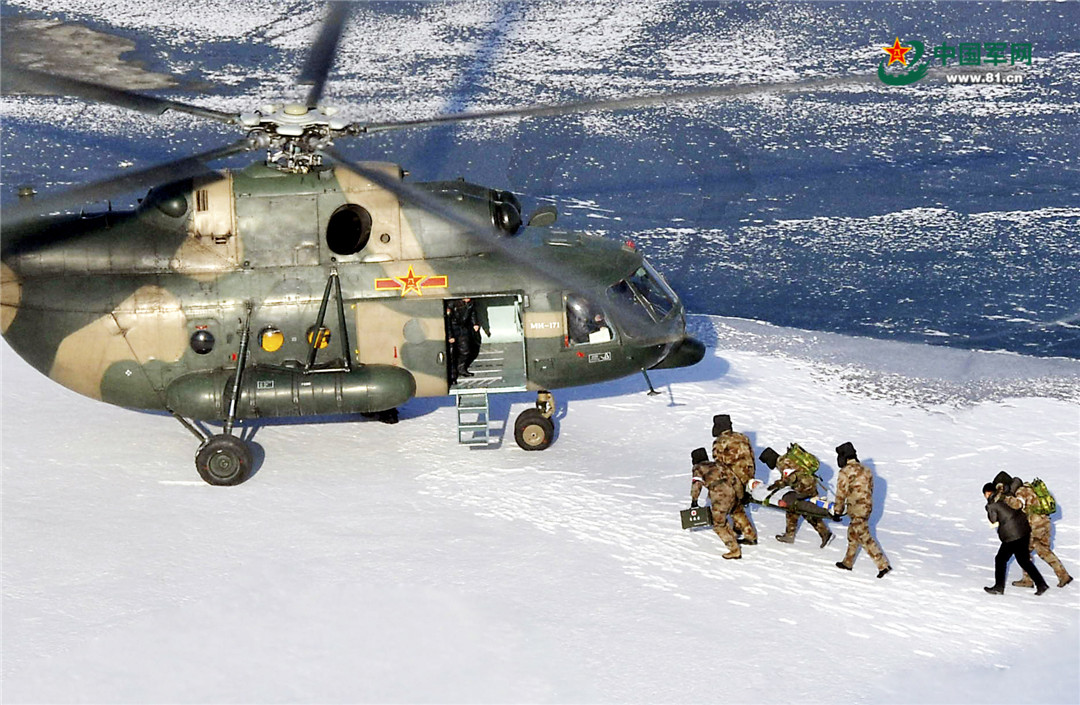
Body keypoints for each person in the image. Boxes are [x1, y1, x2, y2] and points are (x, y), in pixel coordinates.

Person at [833, 442, 891, 578]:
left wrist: (837, 511)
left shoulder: (845, 472)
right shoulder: (867, 470)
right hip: (867, 507)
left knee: (864, 536)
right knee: (852, 534)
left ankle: (883, 565)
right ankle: (848, 562)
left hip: (856, 509)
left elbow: (841, 493)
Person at [983, 482, 1049, 596]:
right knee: (1023, 560)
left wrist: (988, 508)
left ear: (988, 493)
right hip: (1024, 531)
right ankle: (1041, 584)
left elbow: (993, 520)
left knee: (1000, 559)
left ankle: (999, 587)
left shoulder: (992, 504)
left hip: (1012, 536)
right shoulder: (1007, 496)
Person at [760, 446, 834, 548]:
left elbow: (790, 478)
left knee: (796, 510)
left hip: (804, 488)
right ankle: (823, 533)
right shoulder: (786, 458)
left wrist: (777, 485)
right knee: (805, 511)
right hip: (810, 484)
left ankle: (791, 536)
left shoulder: (782, 464)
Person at [710, 414, 758, 545]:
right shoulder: (743, 437)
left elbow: (719, 465)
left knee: (735, 508)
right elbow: (752, 457)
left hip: (733, 478)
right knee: (739, 502)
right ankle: (737, 528)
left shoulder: (720, 442)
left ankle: (750, 535)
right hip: (747, 475)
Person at [689, 447, 742, 559]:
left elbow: (696, 485)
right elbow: (734, 478)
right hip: (731, 492)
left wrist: (694, 500)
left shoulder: (698, 468)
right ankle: (732, 535)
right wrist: (740, 495)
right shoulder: (718, 465)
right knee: (723, 517)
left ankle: (734, 549)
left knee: (718, 524)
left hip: (719, 495)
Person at [446, 297, 480, 384]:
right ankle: (452, 375)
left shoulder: (470, 303)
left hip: (463, 327)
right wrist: (450, 336)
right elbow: (448, 321)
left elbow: (472, 313)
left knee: (465, 351)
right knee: (451, 354)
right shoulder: (452, 304)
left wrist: (475, 323)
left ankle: (461, 368)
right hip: (453, 328)